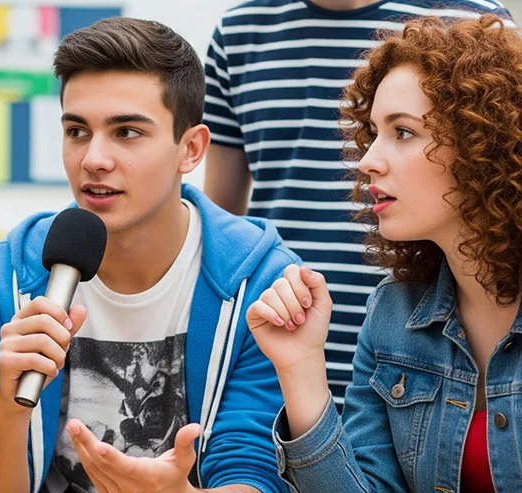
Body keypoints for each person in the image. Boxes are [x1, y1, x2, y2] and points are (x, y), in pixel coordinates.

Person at [0, 17, 295, 493]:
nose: (93, 159)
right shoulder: (3, 280)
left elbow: (260, 481)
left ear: (190, 149)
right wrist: (8, 407)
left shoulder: (259, 281)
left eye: (126, 131)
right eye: (76, 130)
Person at [248, 14, 522, 493]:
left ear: (487, 144)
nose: (369, 159)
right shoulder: (393, 315)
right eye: (373, 132)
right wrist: (301, 367)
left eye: (403, 132)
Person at [202, 0, 511, 408]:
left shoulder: (471, 14)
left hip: (425, 370)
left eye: (403, 131)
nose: (364, 163)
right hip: (272, 370)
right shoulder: (239, 29)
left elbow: (503, 177)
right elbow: (219, 231)